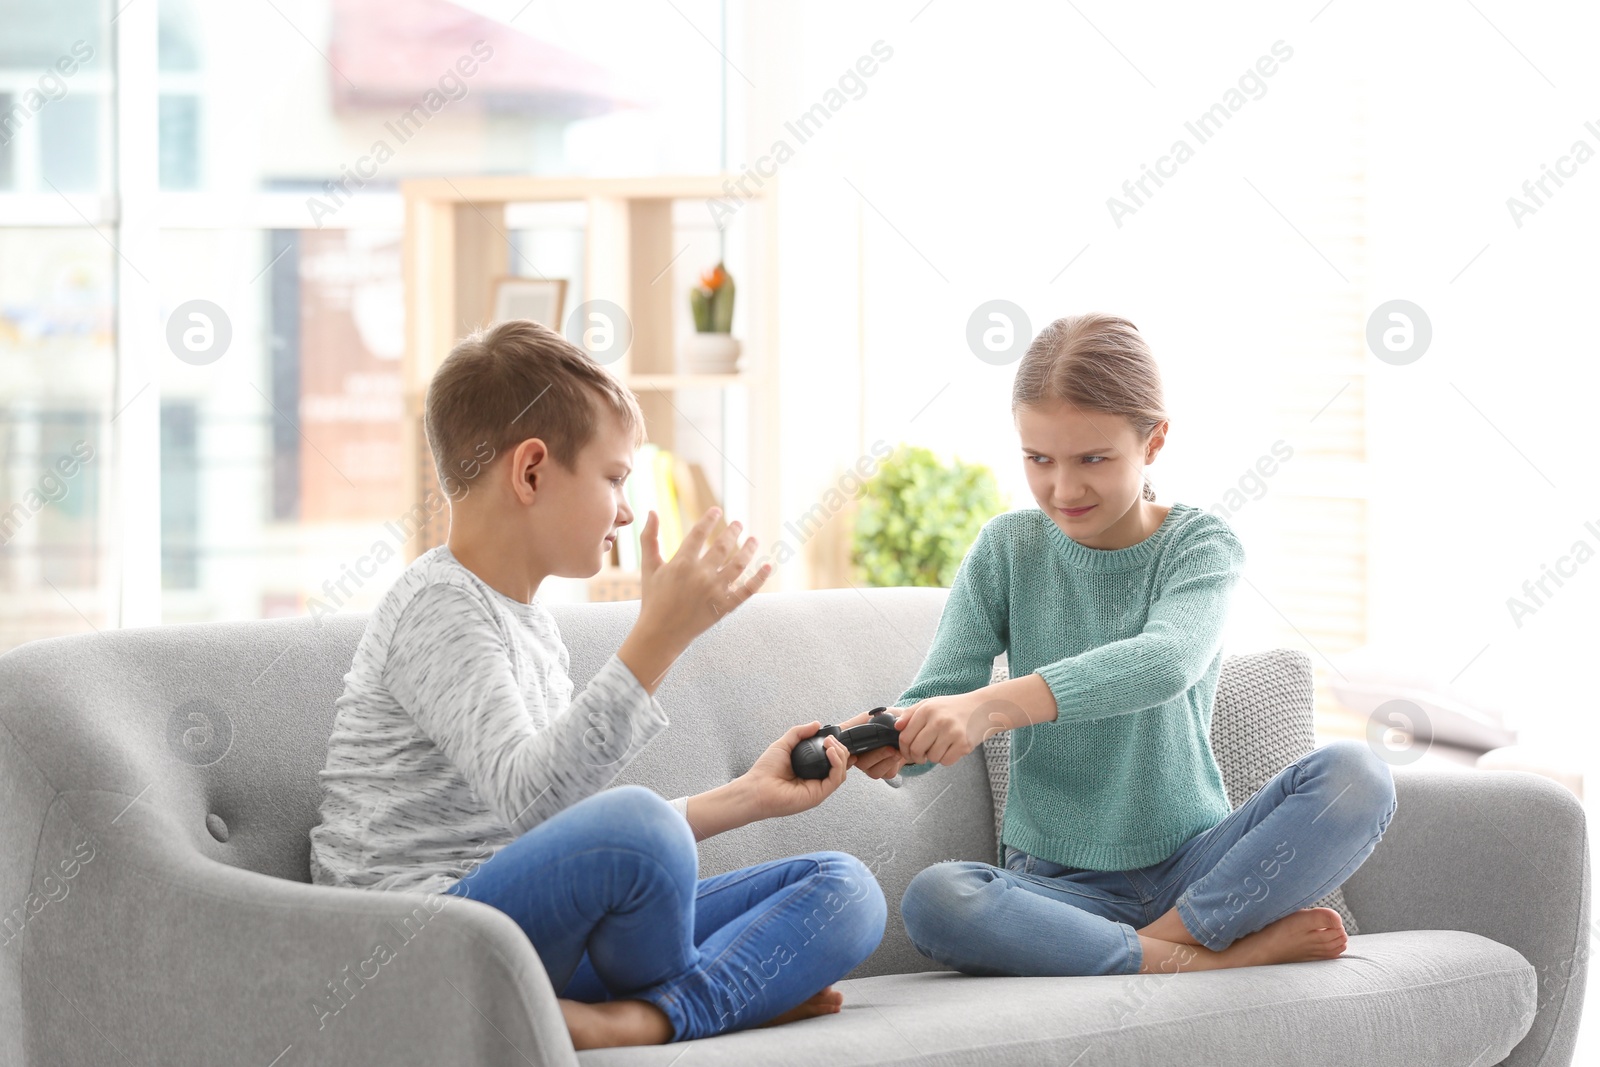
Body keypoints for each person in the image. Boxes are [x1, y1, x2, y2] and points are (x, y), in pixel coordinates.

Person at [308, 319, 886, 1048]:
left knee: (845, 889)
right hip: (428, 942)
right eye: (614, 477)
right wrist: (659, 636)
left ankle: (636, 1019)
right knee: (639, 826)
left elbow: (562, 830)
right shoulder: (438, 607)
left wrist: (749, 796)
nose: (623, 508)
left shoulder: (530, 622)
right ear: (531, 471)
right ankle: (702, 1002)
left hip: (530, 937)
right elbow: (536, 804)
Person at [847, 312, 1396, 978]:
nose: (1063, 488)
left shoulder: (1200, 545)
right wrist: (899, 736)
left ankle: (1161, 945)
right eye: (1038, 458)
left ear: (1154, 441)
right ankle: (1200, 956)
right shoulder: (1007, 549)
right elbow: (939, 694)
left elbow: (1165, 660)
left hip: (1195, 868)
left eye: (1093, 459)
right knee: (939, 899)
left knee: (1358, 776)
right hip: (1057, 891)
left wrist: (992, 707)